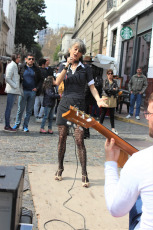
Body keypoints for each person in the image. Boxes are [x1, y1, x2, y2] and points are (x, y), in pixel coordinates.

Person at [54, 38, 107, 187]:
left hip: (79, 105)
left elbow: (92, 87)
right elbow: (57, 82)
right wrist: (66, 66)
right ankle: (60, 168)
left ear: (82, 53)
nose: (77, 52)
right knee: (62, 137)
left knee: (79, 139)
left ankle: (84, 173)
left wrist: (98, 99)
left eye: (80, 50)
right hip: (64, 104)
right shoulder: (62, 66)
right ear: (70, 50)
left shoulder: (86, 68)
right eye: (75, 49)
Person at [104, 92, 153, 229]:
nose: (147, 118)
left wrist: (110, 163)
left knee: (138, 196)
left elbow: (116, 209)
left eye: (149, 114)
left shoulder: (141, 161)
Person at [12, 53, 42, 132]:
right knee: (20, 109)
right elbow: (16, 77)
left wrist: (37, 88)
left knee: (28, 110)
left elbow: (41, 80)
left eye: (32, 59)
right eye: (29, 59)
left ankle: (25, 126)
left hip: (32, 92)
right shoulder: (21, 67)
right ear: (26, 59)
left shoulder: (37, 69)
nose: (31, 60)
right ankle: (17, 124)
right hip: (23, 91)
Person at [4, 53, 22, 132]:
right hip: (12, 90)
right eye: (18, 57)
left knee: (10, 108)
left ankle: (7, 125)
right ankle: (7, 125)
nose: (19, 59)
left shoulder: (15, 65)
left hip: (14, 90)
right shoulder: (12, 65)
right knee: (9, 108)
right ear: (15, 58)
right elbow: (7, 78)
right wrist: (15, 86)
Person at [100, 69, 119, 134]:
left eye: (111, 73)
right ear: (107, 74)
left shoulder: (115, 82)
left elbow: (117, 89)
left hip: (112, 99)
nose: (110, 75)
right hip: (106, 98)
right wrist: (112, 89)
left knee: (112, 114)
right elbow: (105, 89)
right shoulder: (105, 81)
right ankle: (100, 125)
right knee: (103, 112)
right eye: (109, 73)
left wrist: (112, 90)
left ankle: (113, 128)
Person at [34, 58, 48, 122]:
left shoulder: (36, 70)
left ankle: (36, 115)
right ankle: (39, 116)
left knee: (36, 103)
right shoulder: (44, 71)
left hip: (36, 88)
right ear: (43, 64)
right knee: (43, 104)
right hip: (42, 89)